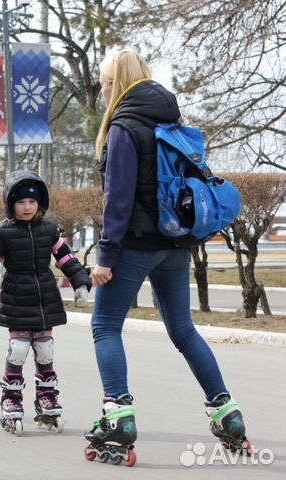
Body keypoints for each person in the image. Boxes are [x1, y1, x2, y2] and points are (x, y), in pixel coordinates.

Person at [84, 51, 251, 464]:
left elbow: (118, 201)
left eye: (104, 83)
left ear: (114, 82)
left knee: (105, 326)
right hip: (176, 246)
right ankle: (226, 412)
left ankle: (118, 415)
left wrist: (105, 255)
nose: (103, 90)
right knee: (183, 329)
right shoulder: (170, 121)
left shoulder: (124, 127)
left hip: (136, 246)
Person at [0, 170, 91, 434]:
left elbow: (66, 258)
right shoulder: (2, 232)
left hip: (45, 298)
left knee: (45, 350)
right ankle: (11, 399)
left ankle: (47, 397)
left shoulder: (49, 229)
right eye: (21, 202)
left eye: (32, 202)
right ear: (11, 203)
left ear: (40, 204)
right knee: (19, 349)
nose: (27, 207)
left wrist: (80, 283)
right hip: (16, 297)